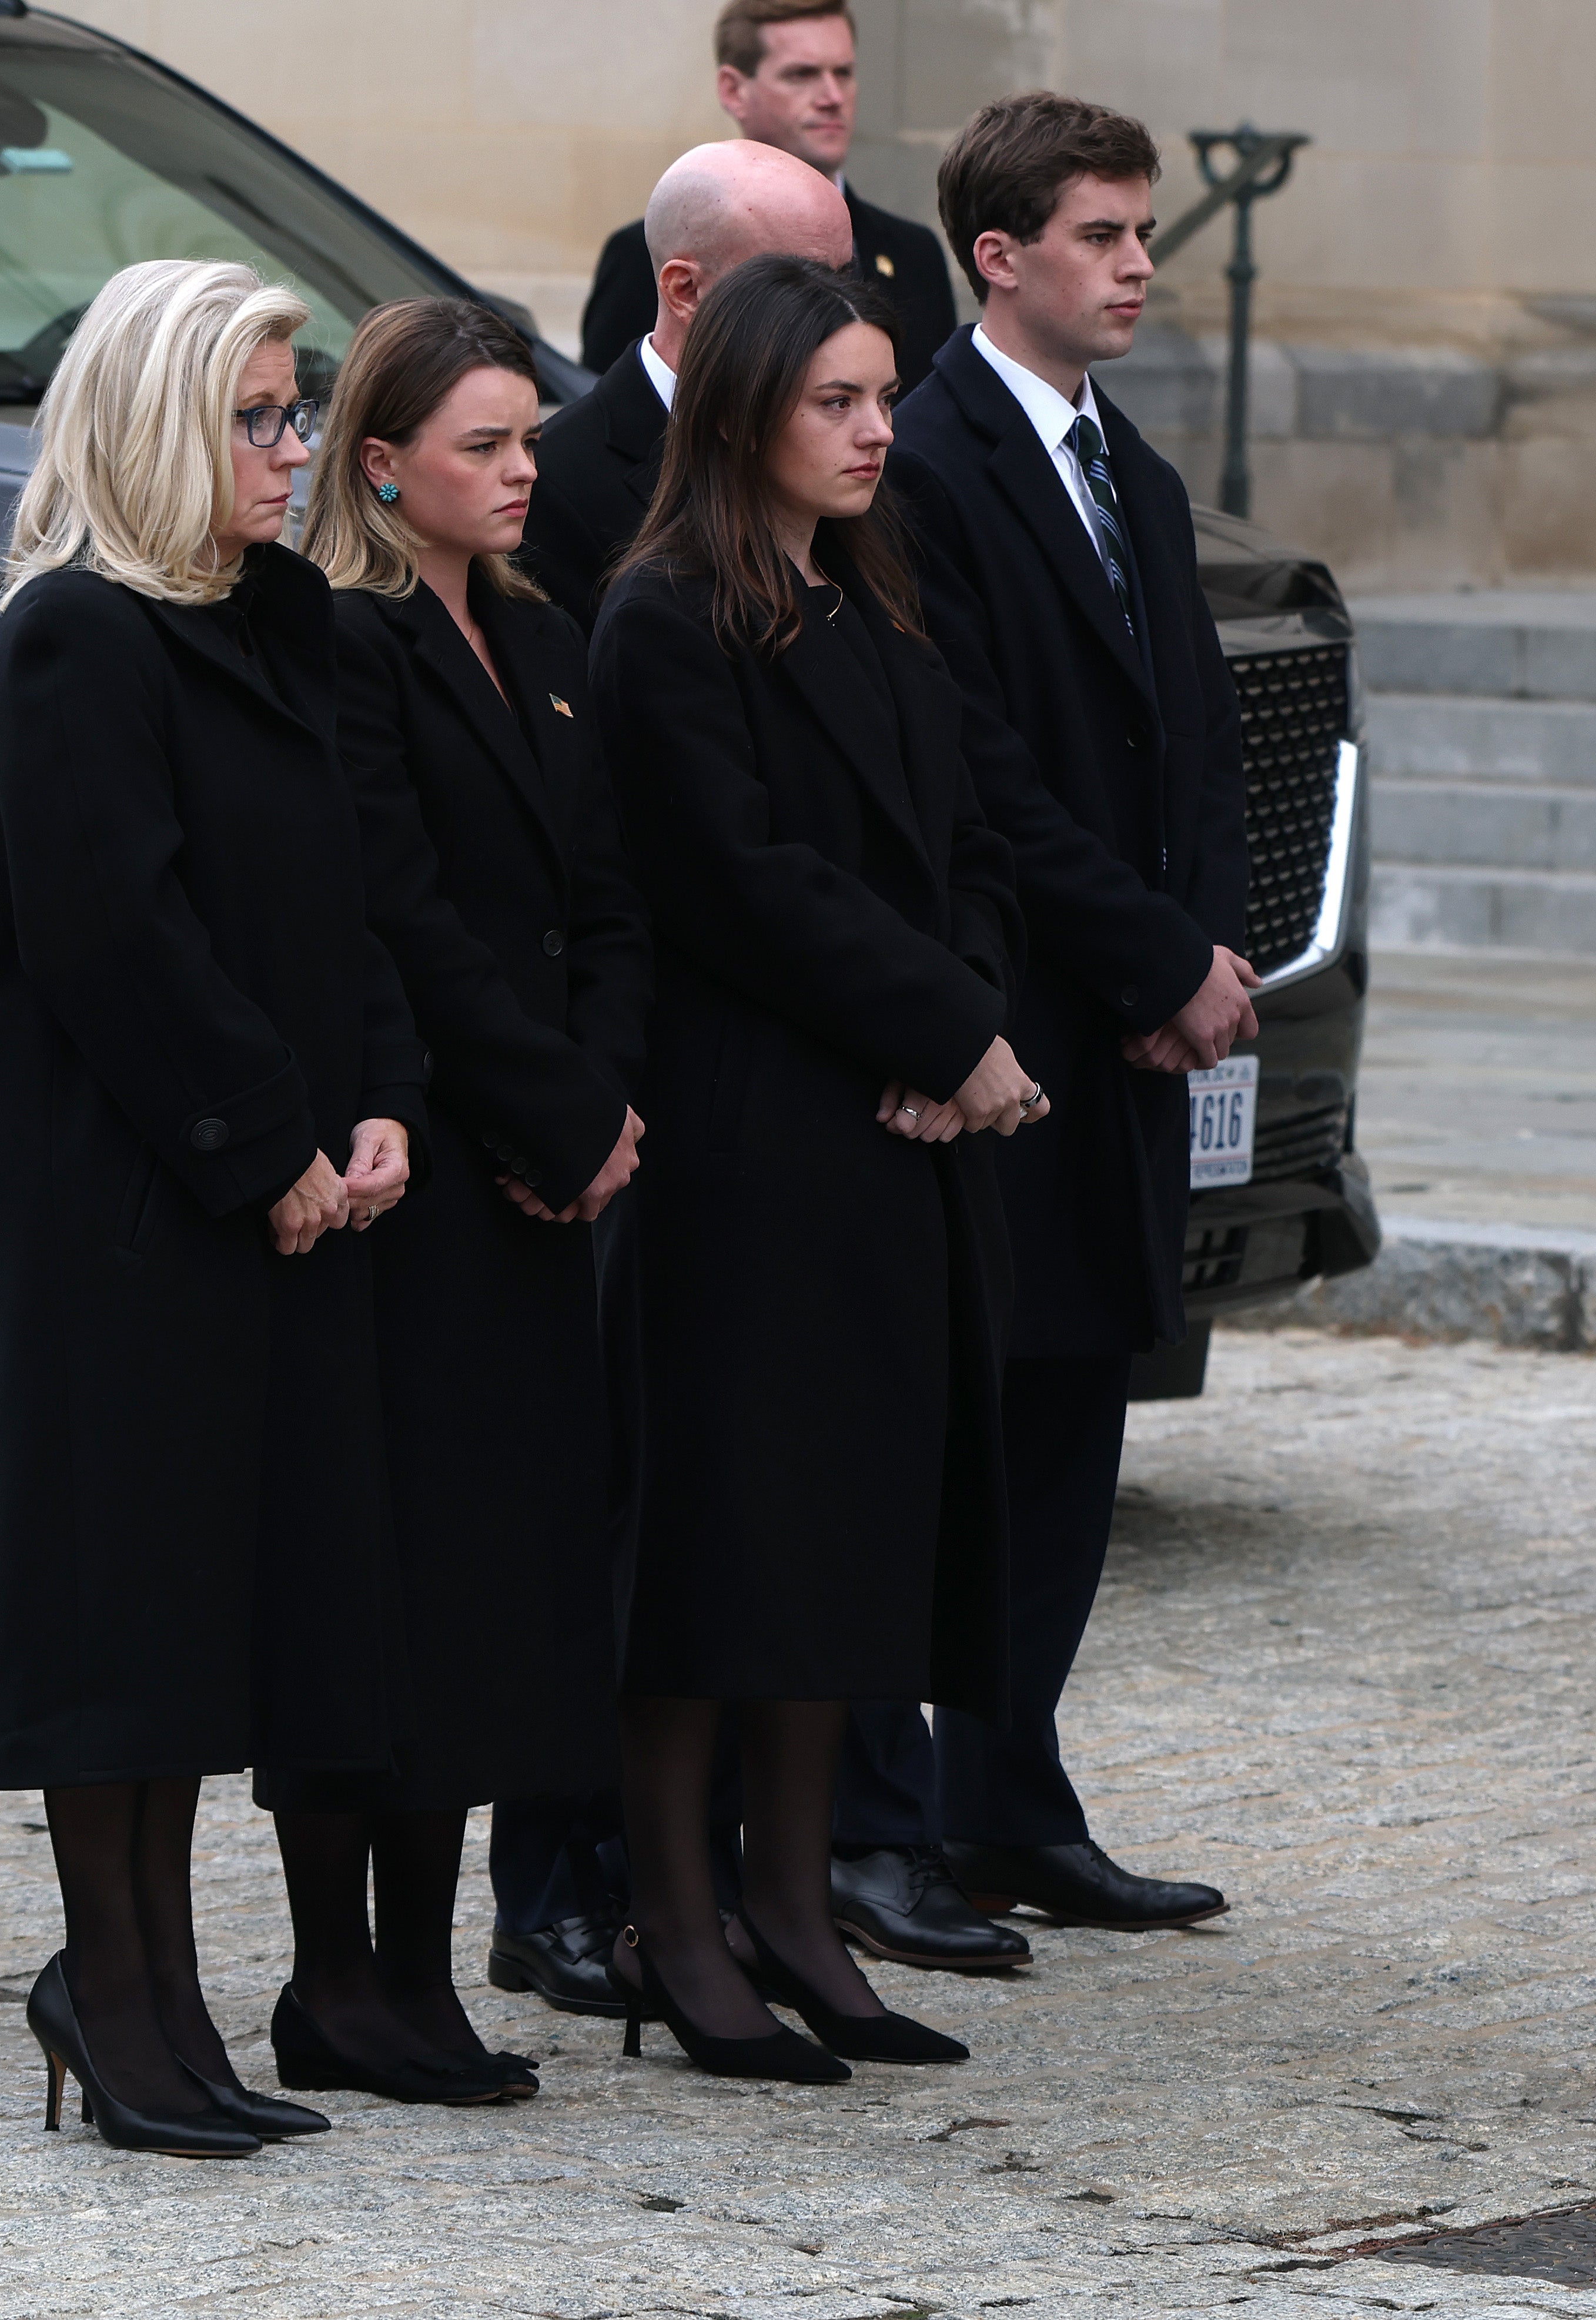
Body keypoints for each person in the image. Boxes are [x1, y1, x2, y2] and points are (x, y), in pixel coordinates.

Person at [0, 257, 420, 2155]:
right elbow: (112, 936)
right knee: (119, 1613)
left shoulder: (279, 616)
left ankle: (163, 1993)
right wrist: (267, 1143)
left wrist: (382, 1102)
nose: (296, 447)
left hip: (277, 1184)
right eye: (259, 414)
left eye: (298, 410)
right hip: (120, 1199)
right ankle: (115, 1988)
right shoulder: (77, 637)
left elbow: (352, 892)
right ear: (152, 419)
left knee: (217, 1607)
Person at [591, 251, 1036, 2083]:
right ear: (743, 411)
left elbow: (973, 840)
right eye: (837, 400)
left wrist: (970, 1034)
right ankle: (674, 1921)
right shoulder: (662, 618)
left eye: (881, 396)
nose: (875, 430)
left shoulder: (872, 593)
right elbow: (739, 881)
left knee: (837, 1542)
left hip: (887, 1135)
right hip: (748, 1140)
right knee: (719, 1546)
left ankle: (794, 1902)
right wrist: (942, 1031)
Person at [847, 89, 1252, 1959]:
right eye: (1101, 233)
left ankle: (1013, 1787)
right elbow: (978, 770)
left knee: (1074, 1413)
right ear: (998, 257)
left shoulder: (1136, 476)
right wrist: (1146, 958)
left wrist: (1208, 955)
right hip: (998, 1027)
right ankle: (878, 1812)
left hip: (1122, 1037)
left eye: (1142, 231)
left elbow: (1193, 752)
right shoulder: (918, 462)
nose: (1139, 263)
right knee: (938, 1426)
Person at [491, 136, 852, 2011]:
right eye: (809, 289)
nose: (851, 338)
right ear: (697, 298)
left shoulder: (845, 516)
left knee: (752, 1508)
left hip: (775, 1081)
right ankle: (562, 1878)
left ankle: (743, 1883)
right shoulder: (555, 478)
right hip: (621, 1063)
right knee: (615, 1496)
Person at [282, 297, 654, 2104]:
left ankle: (422, 1971)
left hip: (537, 1166)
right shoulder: (345, 642)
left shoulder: (537, 626)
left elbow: (606, 893)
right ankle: (334, 1976)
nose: (524, 473)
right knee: (391, 1581)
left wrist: (594, 1102)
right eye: (484, 448)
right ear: (382, 466)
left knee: (500, 1579)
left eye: (528, 440)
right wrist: (541, 1102)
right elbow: (393, 907)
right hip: (420, 1168)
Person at [520, 139, 855, 633]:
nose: (841, 314)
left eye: (845, 280)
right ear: (686, 291)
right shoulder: (555, 485)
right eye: (798, 285)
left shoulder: (859, 439)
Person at [576, 0, 954, 387]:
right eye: (801, 74)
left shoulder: (914, 254)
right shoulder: (645, 257)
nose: (832, 97)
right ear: (734, 90)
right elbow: (616, 419)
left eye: (843, 73)